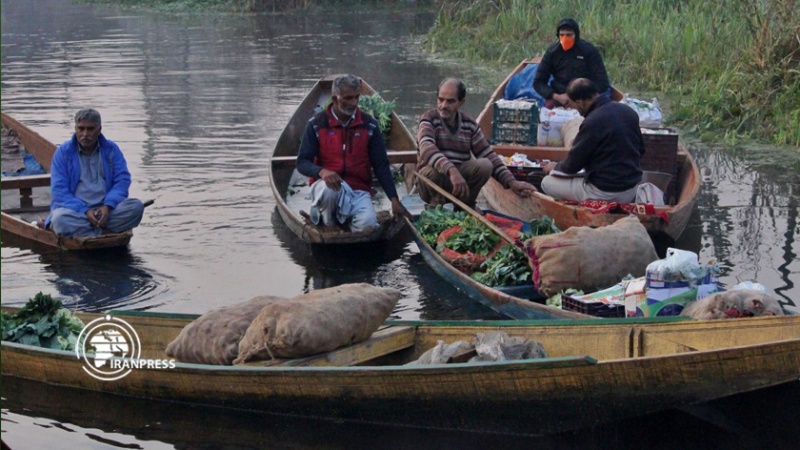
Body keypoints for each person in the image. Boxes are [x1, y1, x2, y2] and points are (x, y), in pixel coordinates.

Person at [296, 74, 411, 232]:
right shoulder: (316, 124)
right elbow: (302, 162)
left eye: (356, 97)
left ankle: (346, 224)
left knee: (368, 225)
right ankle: (329, 225)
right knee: (329, 190)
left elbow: (381, 165)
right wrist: (321, 172)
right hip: (326, 189)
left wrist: (394, 199)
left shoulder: (369, 125)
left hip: (358, 190)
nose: (354, 103)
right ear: (335, 99)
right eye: (348, 98)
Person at [416, 78, 538, 210]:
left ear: (461, 102)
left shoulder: (469, 124)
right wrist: (452, 171)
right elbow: (427, 148)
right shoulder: (429, 118)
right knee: (433, 173)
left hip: (459, 181)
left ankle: (464, 205)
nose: (443, 105)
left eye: (450, 101)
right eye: (440, 99)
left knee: (485, 165)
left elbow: (487, 154)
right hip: (433, 180)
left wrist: (511, 182)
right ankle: (435, 206)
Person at [540, 78, 645, 203]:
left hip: (605, 191)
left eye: (573, 105)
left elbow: (572, 165)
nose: (575, 111)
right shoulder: (628, 111)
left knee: (547, 182)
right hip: (631, 188)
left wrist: (554, 167)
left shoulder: (592, 122)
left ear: (580, 102)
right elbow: (641, 150)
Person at [46, 109, 144, 237]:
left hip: (107, 211)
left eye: (90, 129)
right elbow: (59, 191)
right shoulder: (64, 153)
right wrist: (85, 211)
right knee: (60, 220)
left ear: (99, 130)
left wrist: (108, 206)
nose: (85, 134)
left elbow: (122, 181)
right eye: (81, 129)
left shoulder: (111, 149)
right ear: (75, 129)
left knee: (136, 207)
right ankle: (102, 230)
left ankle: (88, 231)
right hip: (76, 212)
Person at [533, 18, 611, 109]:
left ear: (576, 35)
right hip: (560, 95)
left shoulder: (589, 51)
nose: (565, 38)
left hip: (585, 95)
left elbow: (602, 82)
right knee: (548, 110)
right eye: (562, 35)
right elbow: (538, 82)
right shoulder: (552, 52)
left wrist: (581, 97)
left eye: (569, 35)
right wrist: (556, 96)